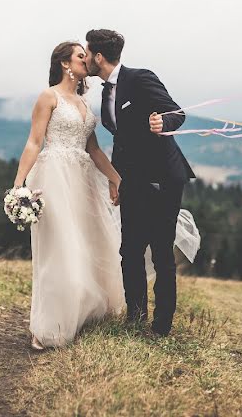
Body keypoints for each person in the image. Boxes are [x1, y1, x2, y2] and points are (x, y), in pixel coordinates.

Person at [12, 41, 124, 350]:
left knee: (86, 245)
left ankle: (80, 314)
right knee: (59, 248)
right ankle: (47, 327)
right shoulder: (49, 97)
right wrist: (19, 185)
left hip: (83, 178)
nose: (85, 59)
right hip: (54, 177)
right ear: (64, 63)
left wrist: (117, 179)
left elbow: (95, 151)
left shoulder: (84, 105)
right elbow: (34, 142)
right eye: (79, 55)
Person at [84, 29, 196, 336]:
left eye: (87, 52)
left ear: (98, 57)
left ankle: (161, 326)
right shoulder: (106, 91)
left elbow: (177, 112)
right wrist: (114, 179)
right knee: (130, 251)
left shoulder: (140, 78)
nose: (84, 57)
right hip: (131, 180)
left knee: (161, 252)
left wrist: (164, 123)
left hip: (162, 178)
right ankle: (135, 318)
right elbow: (121, 139)